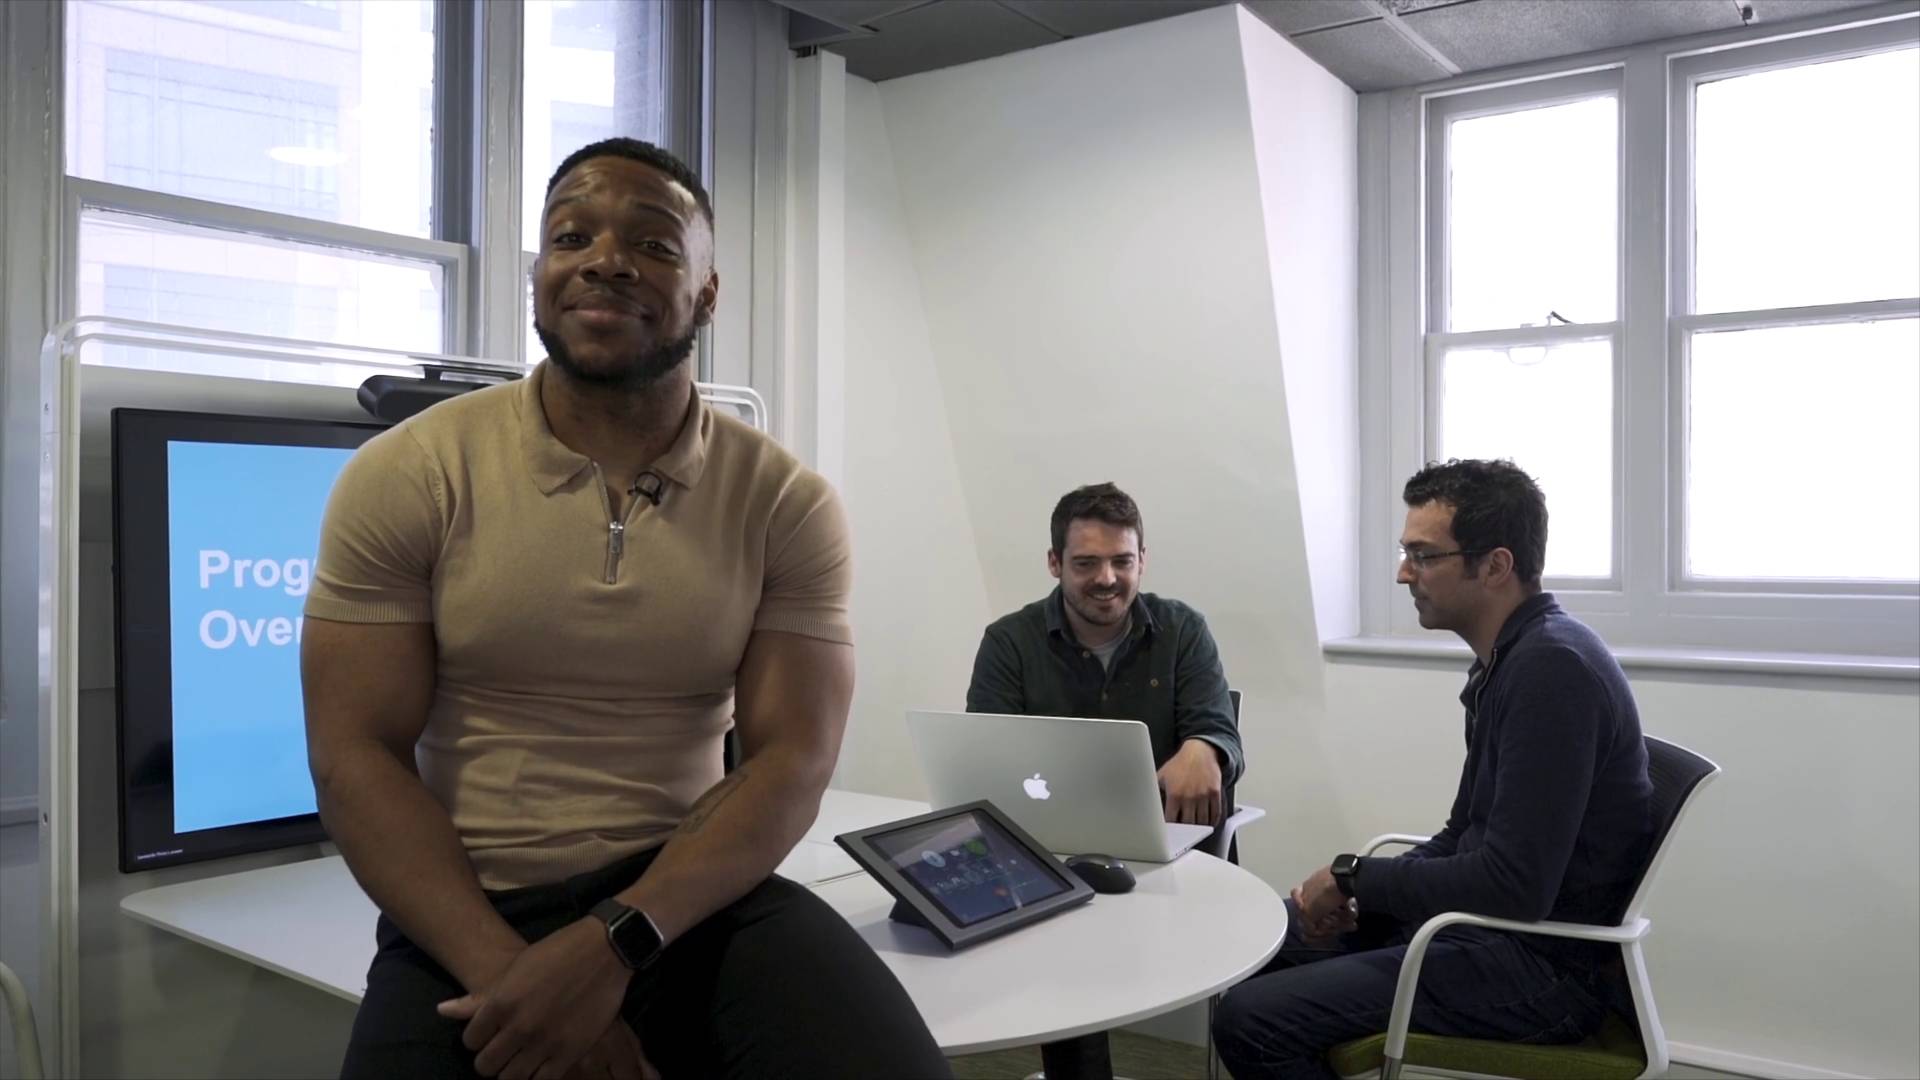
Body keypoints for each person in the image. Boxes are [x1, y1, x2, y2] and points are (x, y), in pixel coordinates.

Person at [302, 137, 949, 1080]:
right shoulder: (409, 472)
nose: (605, 261)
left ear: (707, 295)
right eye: (572, 236)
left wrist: (615, 943)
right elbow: (354, 754)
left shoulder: (784, 501)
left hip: (691, 895)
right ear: (539, 276)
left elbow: (791, 760)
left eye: (652, 243)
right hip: (469, 910)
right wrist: (523, 986)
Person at [1211, 459, 1653, 1079]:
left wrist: (1355, 878)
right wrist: (1359, 893)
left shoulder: (1552, 671)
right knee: (1253, 938)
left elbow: (1514, 885)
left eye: (1423, 556)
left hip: (1540, 970)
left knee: (1253, 1021)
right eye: (1405, 553)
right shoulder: (1508, 659)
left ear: (1495, 566)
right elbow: (1462, 835)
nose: (1403, 573)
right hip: (1485, 933)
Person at [967, 482, 1244, 1080]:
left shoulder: (1181, 630)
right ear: (1055, 563)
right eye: (1086, 563)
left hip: (1164, 855)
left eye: (1122, 561)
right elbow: (983, 758)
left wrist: (1206, 746)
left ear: (1143, 559)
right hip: (1049, 852)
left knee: (1073, 931)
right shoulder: (1009, 641)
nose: (1107, 578)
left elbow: (1221, 734)